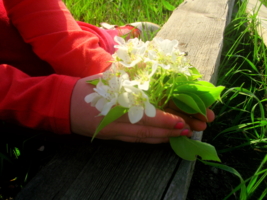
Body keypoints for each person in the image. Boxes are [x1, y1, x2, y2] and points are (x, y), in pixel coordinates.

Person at [0, 0, 215, 144]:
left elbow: (47, 21)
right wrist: (57, 100)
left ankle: (121, 33)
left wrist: (105, 69)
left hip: (29, 30)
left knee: (105, 44)